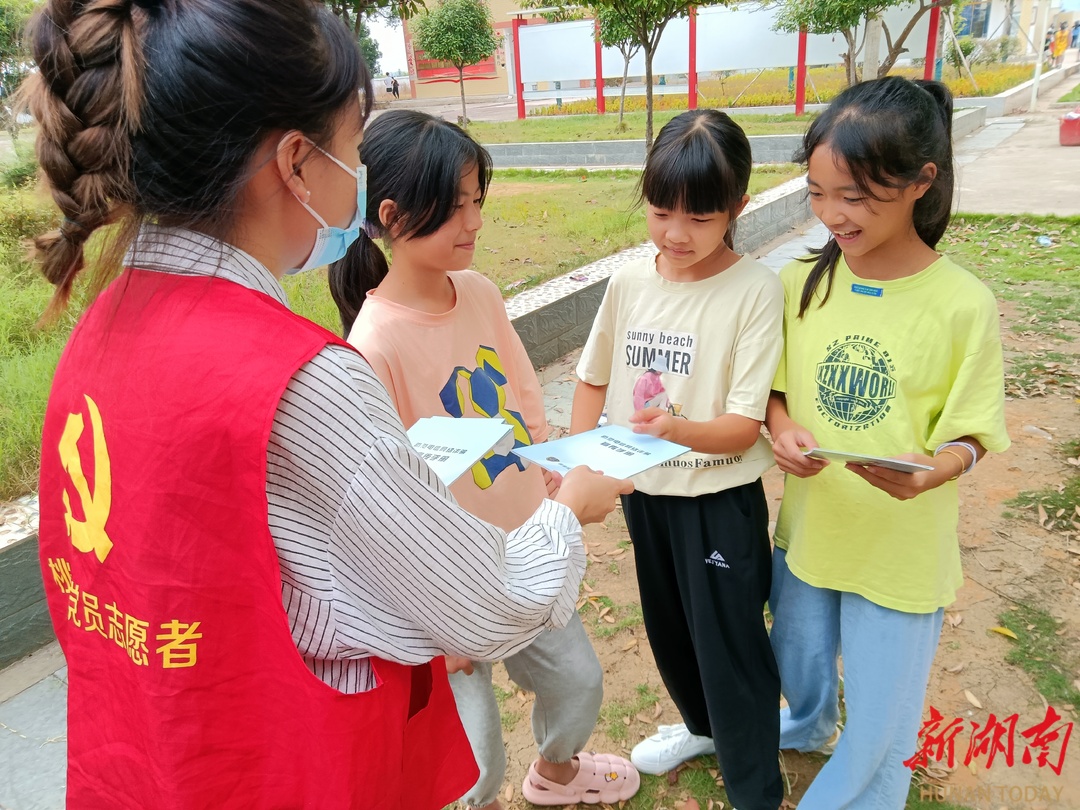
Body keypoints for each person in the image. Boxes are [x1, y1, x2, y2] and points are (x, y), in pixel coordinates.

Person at [25, 2, 631, 807]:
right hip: (284, 772)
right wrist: (570, 510)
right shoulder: (302, 380)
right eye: (353, 150)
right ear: (296, 162)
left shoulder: (102, 322)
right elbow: (487, 607)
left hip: (150, 764)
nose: (360, 181)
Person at [329, 109, 640, 809]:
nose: (473, 221)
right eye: (455, 205)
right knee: (474, 764)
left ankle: (558, 771)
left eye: (477, 200)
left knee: (577, 681)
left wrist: (546, 463)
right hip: (452, 584)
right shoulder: (372, 346)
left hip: (530, 545)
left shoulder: (480, 292)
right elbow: (388, 509)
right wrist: (438, 630)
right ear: (393, 214)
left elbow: (521, 391)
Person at [765, 76, 1009, 809]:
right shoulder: (800, 281)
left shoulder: (963, 303)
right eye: (816, 192)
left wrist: (934, 471)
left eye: (857, 197)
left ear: (920, 182)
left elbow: (973, 432)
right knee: (799, 658)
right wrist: (781, 430)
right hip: (812, 530)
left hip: (900, 545)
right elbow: (773, 390)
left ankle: (856, 793)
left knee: (883, 719)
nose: (832, 214)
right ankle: (807, 727)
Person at [571, 109, 785, 810]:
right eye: (661, 212)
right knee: (670, 629)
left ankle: (755, 786)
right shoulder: (631, 283)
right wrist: (581, 459)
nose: (675, 234)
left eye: (700, 217)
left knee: (731, 646)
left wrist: (671, 430)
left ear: (738, 209)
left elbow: (742, 427)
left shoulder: (755, 289)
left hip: (719, 502)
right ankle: (700, 728)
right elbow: (591, 377)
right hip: (647, 496)